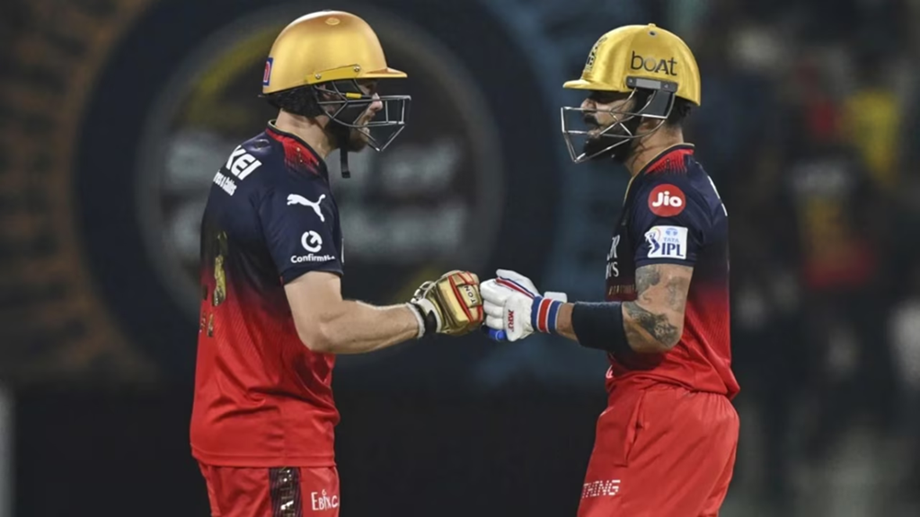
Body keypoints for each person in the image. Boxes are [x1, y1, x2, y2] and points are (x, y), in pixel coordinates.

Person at [189, 11, 483, 517]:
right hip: (274, 437)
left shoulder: (251, 157)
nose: (376, 103)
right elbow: (323, 326)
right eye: (365, 88)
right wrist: (427, 313)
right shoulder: (294, 184)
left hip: (233, 425)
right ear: (325, 94)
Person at [481, 23, 739, 516]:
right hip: (676, 410)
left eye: (603, 96)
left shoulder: (667, 193)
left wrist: (540, 312)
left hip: (664, 409)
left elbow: (657, 325)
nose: (586, 108)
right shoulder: (663, 184)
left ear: (654, 104)